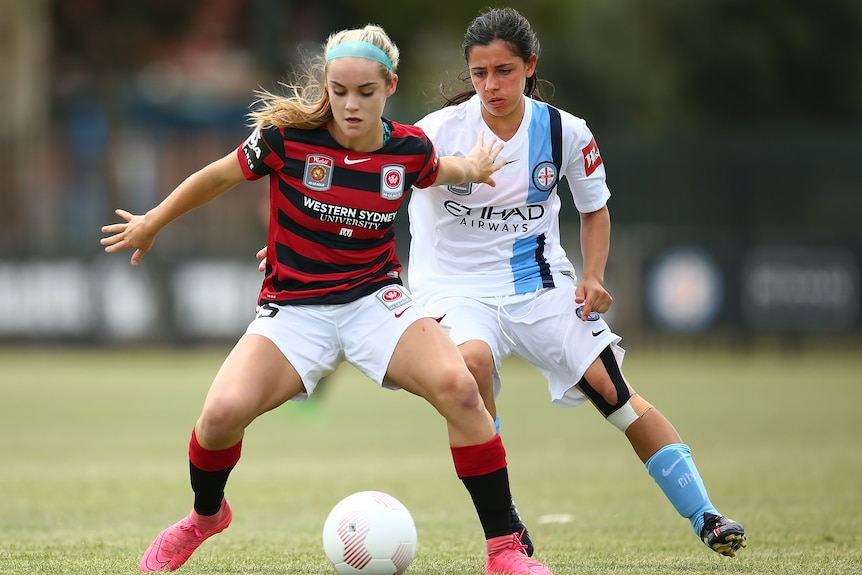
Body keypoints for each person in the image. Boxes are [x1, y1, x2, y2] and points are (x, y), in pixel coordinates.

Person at [101, 24, 552, 575]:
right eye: (338, 91)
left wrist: (477, 168)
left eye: (365, 92)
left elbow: (442, 170)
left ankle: (504, 550)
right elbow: (217, 178)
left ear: (390, 85)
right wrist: (153, 222)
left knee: (460, 388)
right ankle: (204, 517)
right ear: (326, 88)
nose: (350, 105)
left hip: (376, 302)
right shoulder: (285, 139)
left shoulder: (408, 148)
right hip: (294, 311)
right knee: (219, 416)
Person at [405, 7, 747, 558]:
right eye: (479, 73)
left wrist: (591, 276)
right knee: (470, 367)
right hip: (452, 286)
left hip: (539, 284)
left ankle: (705, 515)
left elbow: (595, 209)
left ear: (530, 67)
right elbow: (371, 191)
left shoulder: (566, 131)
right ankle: (506, 527)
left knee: (614, 392)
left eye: (505, 71)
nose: (491, 85)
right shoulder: (436, 133)